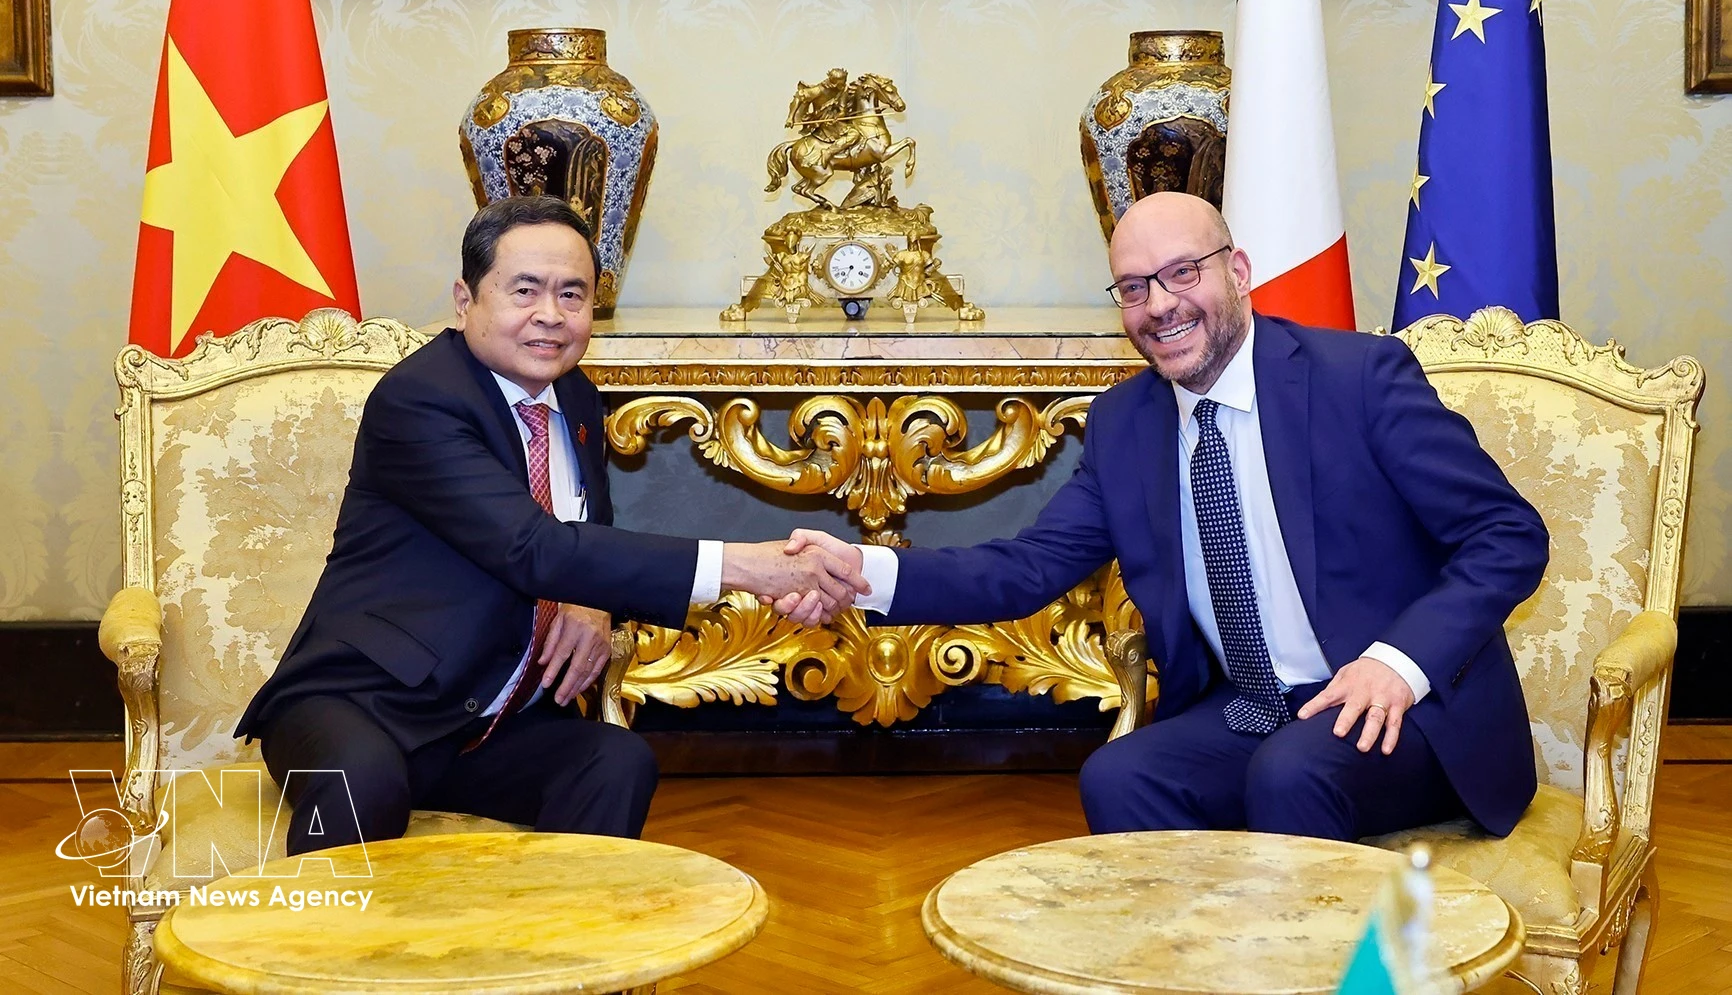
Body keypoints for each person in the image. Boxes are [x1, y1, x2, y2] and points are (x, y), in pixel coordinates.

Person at [778, 191, 1549, 842]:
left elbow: (1507, 535)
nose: (1160, 304)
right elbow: (1024, 568)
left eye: (1183, 272)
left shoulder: (1359, 380)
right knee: (1121, 775)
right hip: (1256, 709)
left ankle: (1304, 961)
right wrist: (860, 570)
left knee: (1292, 773)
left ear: (1237, 272)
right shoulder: (1125, 425)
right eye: (1133, 287)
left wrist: (1397, 662)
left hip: (1405, 714)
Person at [236, 195, 865, 853]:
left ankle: (566, 923)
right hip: (362, 703)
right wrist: (747, 566)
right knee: (361, 781)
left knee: (614, 762)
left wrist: (591, 602)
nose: (551, 314)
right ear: (465, 300)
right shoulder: (422, 398)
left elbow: (586, 540)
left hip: (482, 722)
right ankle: (322, 924)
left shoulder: (576, 399)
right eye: (525, 290)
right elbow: (530, 546)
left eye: (572, 294)